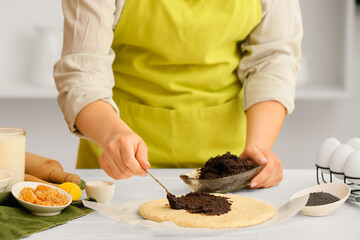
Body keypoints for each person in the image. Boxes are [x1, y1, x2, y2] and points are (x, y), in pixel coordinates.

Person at [54, 0, 302, 189]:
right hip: (118, 158)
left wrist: (257, 151)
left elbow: (273, 59)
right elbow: (83, 72)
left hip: (230, 164)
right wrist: (111, 134)